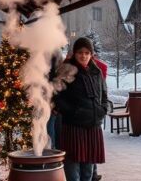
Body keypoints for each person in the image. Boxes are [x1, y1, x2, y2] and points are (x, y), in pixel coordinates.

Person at [52, 38, 109, 181]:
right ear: (74, 53)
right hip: (73, 127)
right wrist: (73, 112)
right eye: (80, 53)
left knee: (88, 172)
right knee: (73, 171)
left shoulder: (96, 72)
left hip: (92, 127)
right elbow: (57, 97)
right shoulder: (66, 71)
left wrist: (103, 109)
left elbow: (104, 93)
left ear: (91, 54)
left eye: (87, 52)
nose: (83, 56)